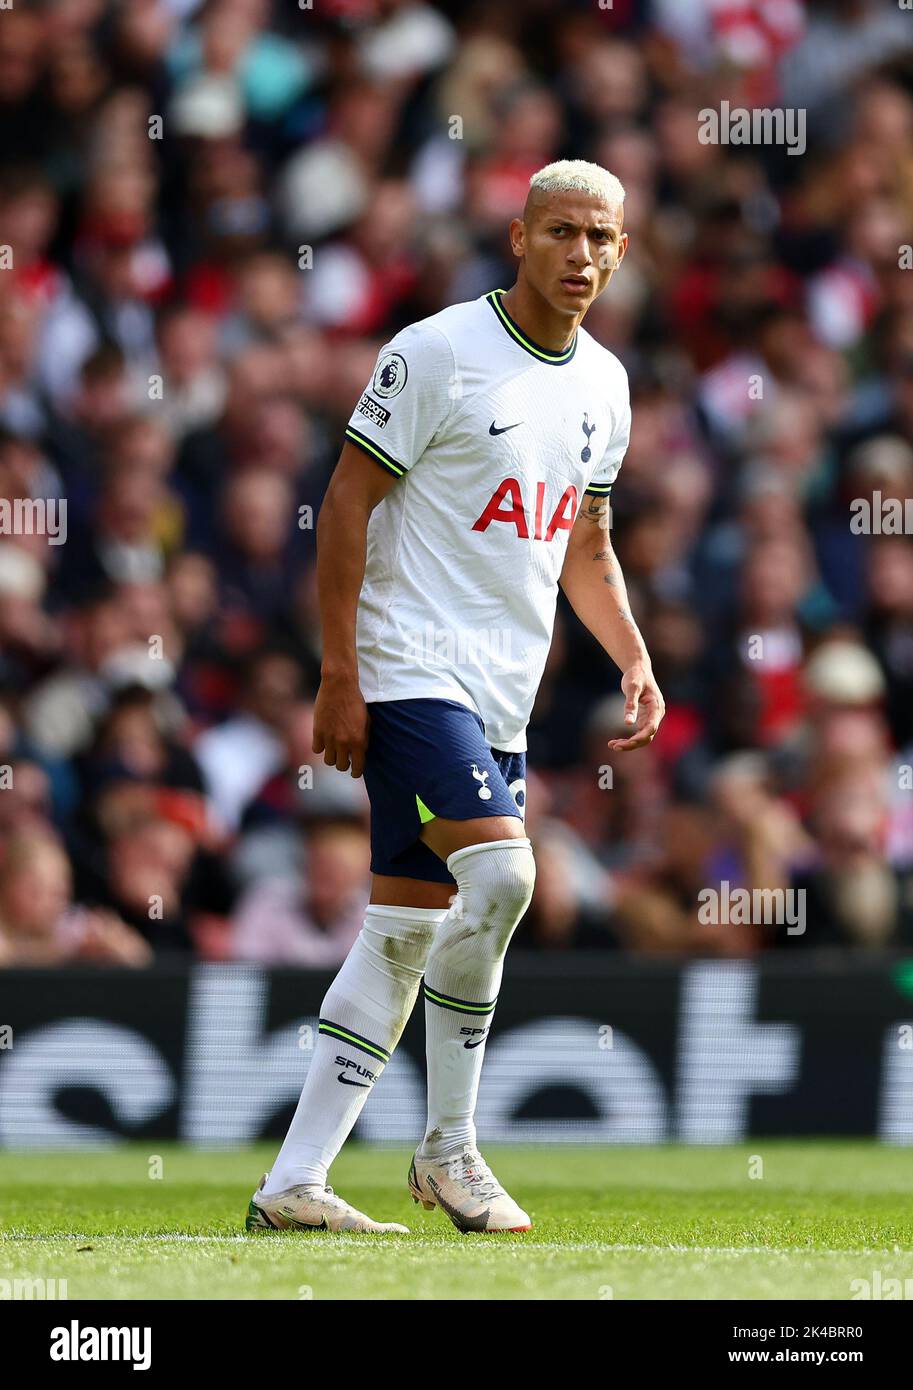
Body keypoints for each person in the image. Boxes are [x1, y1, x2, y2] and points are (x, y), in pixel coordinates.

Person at [246, 160, 665, 1236]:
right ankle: (448, 1149)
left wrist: (631, 655)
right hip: (405, 667)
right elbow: (344, 503)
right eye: (562, 231)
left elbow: (586, 541)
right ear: (518, 236)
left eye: (602, 237)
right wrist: (339, 671)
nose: (582, 255)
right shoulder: (434, 352)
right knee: (508, 873)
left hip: (499, 695)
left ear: (622, 251)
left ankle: (293, 1180)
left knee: (401, 928)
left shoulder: (604, 386)